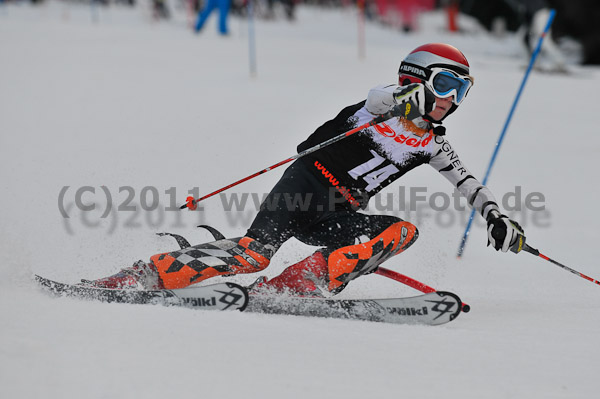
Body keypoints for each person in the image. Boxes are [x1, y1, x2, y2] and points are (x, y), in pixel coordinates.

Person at [87, 43, 525, 296]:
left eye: (462, 89)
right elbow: (379, 96)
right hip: (303, 189)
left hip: (334, 215)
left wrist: (495, 215)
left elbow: (468, 184)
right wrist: (401, 98)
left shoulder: (434, 143)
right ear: (417, 80)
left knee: (402, 232)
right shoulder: (378, 109)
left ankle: (292, 285)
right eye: (445, 84)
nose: (453, 97)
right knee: (252, 254)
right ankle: (141, 274)